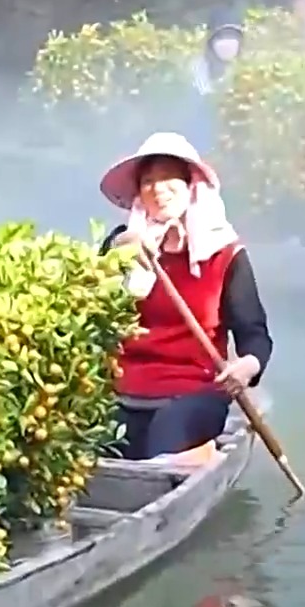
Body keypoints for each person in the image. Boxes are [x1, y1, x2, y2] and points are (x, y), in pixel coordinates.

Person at [96, 132, 273, 460]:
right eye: (148, 181)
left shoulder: (225, 254)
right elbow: (95, 281)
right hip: (124, 389)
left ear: (192, 186)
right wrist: (123, 247)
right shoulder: (126, 245)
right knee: (97, 448)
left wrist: (247, 366)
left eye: (168, 178)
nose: (158, 189)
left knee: (162, 447)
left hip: (195, 390)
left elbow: (254, 335)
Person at [184, 16, 245, 152]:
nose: (227, 43)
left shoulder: (245, 70)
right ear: (211, 41)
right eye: (221, 37)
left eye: (232, 37)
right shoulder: (197, 67)